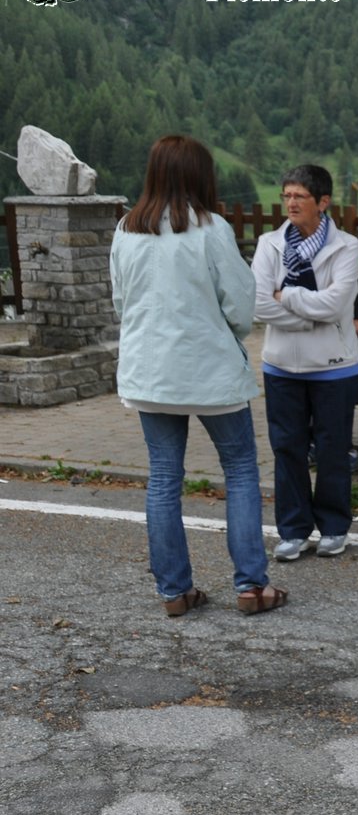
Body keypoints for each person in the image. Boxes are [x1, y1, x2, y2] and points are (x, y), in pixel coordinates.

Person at [109, 135, 287, 616]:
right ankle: (251, 586)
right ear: (199, 175)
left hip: (149, 372)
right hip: (210, 372)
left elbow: (121, 304)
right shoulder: (211, 229)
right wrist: (221, 329)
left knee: (164, 477)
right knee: (240, 469)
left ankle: (175, 592)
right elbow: (239, 305)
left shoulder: (126, 228)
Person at [252, 165, 358, 562]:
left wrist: (288, 297)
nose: (291, 203)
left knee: (333, 450)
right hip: (281, 366)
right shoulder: (270, 244)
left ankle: (334, 526)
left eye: (299, 196)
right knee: (288, 449)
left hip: (334, 366)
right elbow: (259, 302)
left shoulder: (346, 246)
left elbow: (335, 306)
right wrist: (307, 312)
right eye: (287, 196)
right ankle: (294, 529)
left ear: (323, 202)